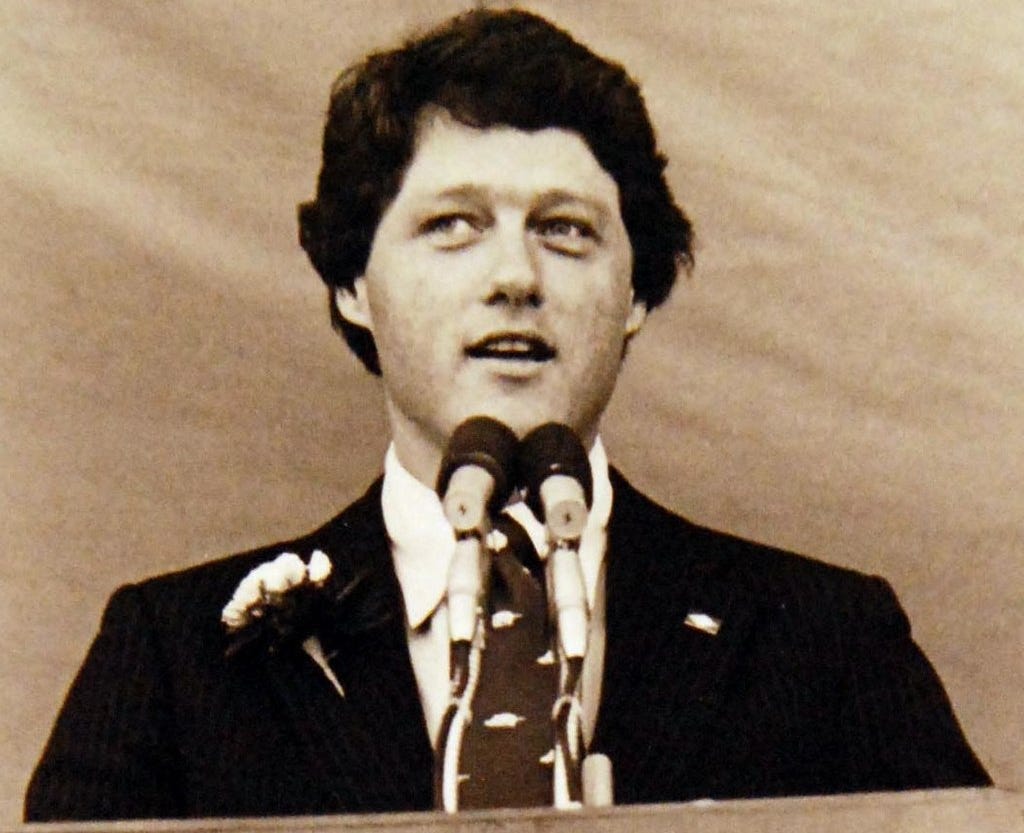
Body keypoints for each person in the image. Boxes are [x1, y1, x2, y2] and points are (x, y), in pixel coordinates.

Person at [25, 8, 990, 822]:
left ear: (636, 292)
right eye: (453, 225)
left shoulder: (825, 640)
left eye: (565, 230)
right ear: (354, 282)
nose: (516, 277)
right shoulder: (173, 656)